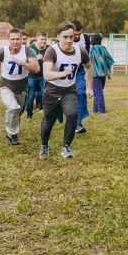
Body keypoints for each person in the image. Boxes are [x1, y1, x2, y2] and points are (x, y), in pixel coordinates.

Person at [40, 21, 94, 159]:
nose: (69, 40)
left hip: (69, 91)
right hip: (52, 91)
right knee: (48, 121)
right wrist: (63, 73)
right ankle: (44, 145)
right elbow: (46, 74)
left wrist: (89, 87)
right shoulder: (52, 51)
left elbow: (89, 67)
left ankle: (66, 146)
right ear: (58, 36)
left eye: (71, 37)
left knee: (72, 114)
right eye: (65, 37)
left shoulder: (80, 51)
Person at [0, 28, 39, 145]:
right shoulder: (2, 51)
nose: (15, 41)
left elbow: (36, 68)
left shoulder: (27, 51)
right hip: (6, 85)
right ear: (8, 40)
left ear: (22, 39)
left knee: (18, 111)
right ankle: (12, 134)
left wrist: (23, 63)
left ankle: (12, 128)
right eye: (13, 39)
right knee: (13, 108)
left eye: (18, 39)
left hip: (21, 87)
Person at [70, 20, 91, 134]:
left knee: (81, 93)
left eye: (79, 34)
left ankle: (78, 123)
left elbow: (86, 57)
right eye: (75, 34)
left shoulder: (86, 39)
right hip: (65, 72)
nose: (77, 36)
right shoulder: (66, 38)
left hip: (79, 71)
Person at [89, 34, 114, 113]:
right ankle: (95, 109)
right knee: (98, 91)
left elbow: (87, 62)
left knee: (98, 91)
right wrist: (110, 73)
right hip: (103, 74)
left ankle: (101, 109)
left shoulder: (91, 49)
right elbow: (109, 61)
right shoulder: (103, 49)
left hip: (95, 74)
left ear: (92, 40)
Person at [26, 31, 49, 120]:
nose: (43, 41)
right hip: (32, 76)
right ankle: (29, 115)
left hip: (44, 75)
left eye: (45, 39)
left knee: (45, 94)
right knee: (30, 96)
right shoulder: (30, 49)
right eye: (41, 39)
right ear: (36, 39)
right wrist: (36, 59)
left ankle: (43, 111)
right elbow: (25, 62)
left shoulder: (48, 48)